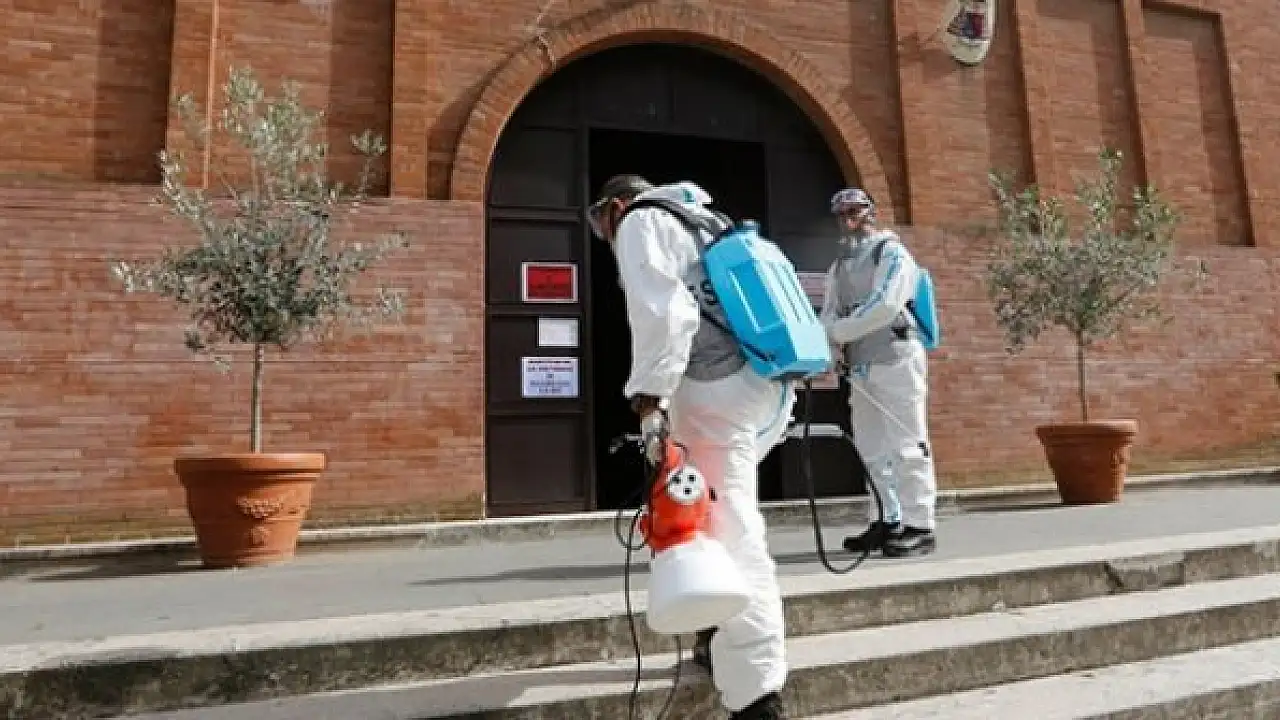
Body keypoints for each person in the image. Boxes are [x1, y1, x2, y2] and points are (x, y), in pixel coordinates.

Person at [588, 174, 795, 720]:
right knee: (702, 515)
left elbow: (666, 315)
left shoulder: (640, 221)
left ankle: (757, 695)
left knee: (732, 532)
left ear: (616, 206)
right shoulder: (705, 220)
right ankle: (714, 639)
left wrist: (649, 400)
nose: (604, 237)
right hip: (755, 384)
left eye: (600, 223)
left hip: (711, 390)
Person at [820, 188, 938, 558]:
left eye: (854, 211)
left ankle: (920, 524)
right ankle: (887, 519)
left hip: (895, 356)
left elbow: (885, 304)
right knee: (871, 447)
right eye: (841, 213)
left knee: (907, 441)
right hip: (860, 364)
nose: (848, 219)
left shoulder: (892, 253)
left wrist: (837, 333)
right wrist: (830, 347)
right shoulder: (839, 266)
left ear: (870, 212)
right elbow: (829, 311)